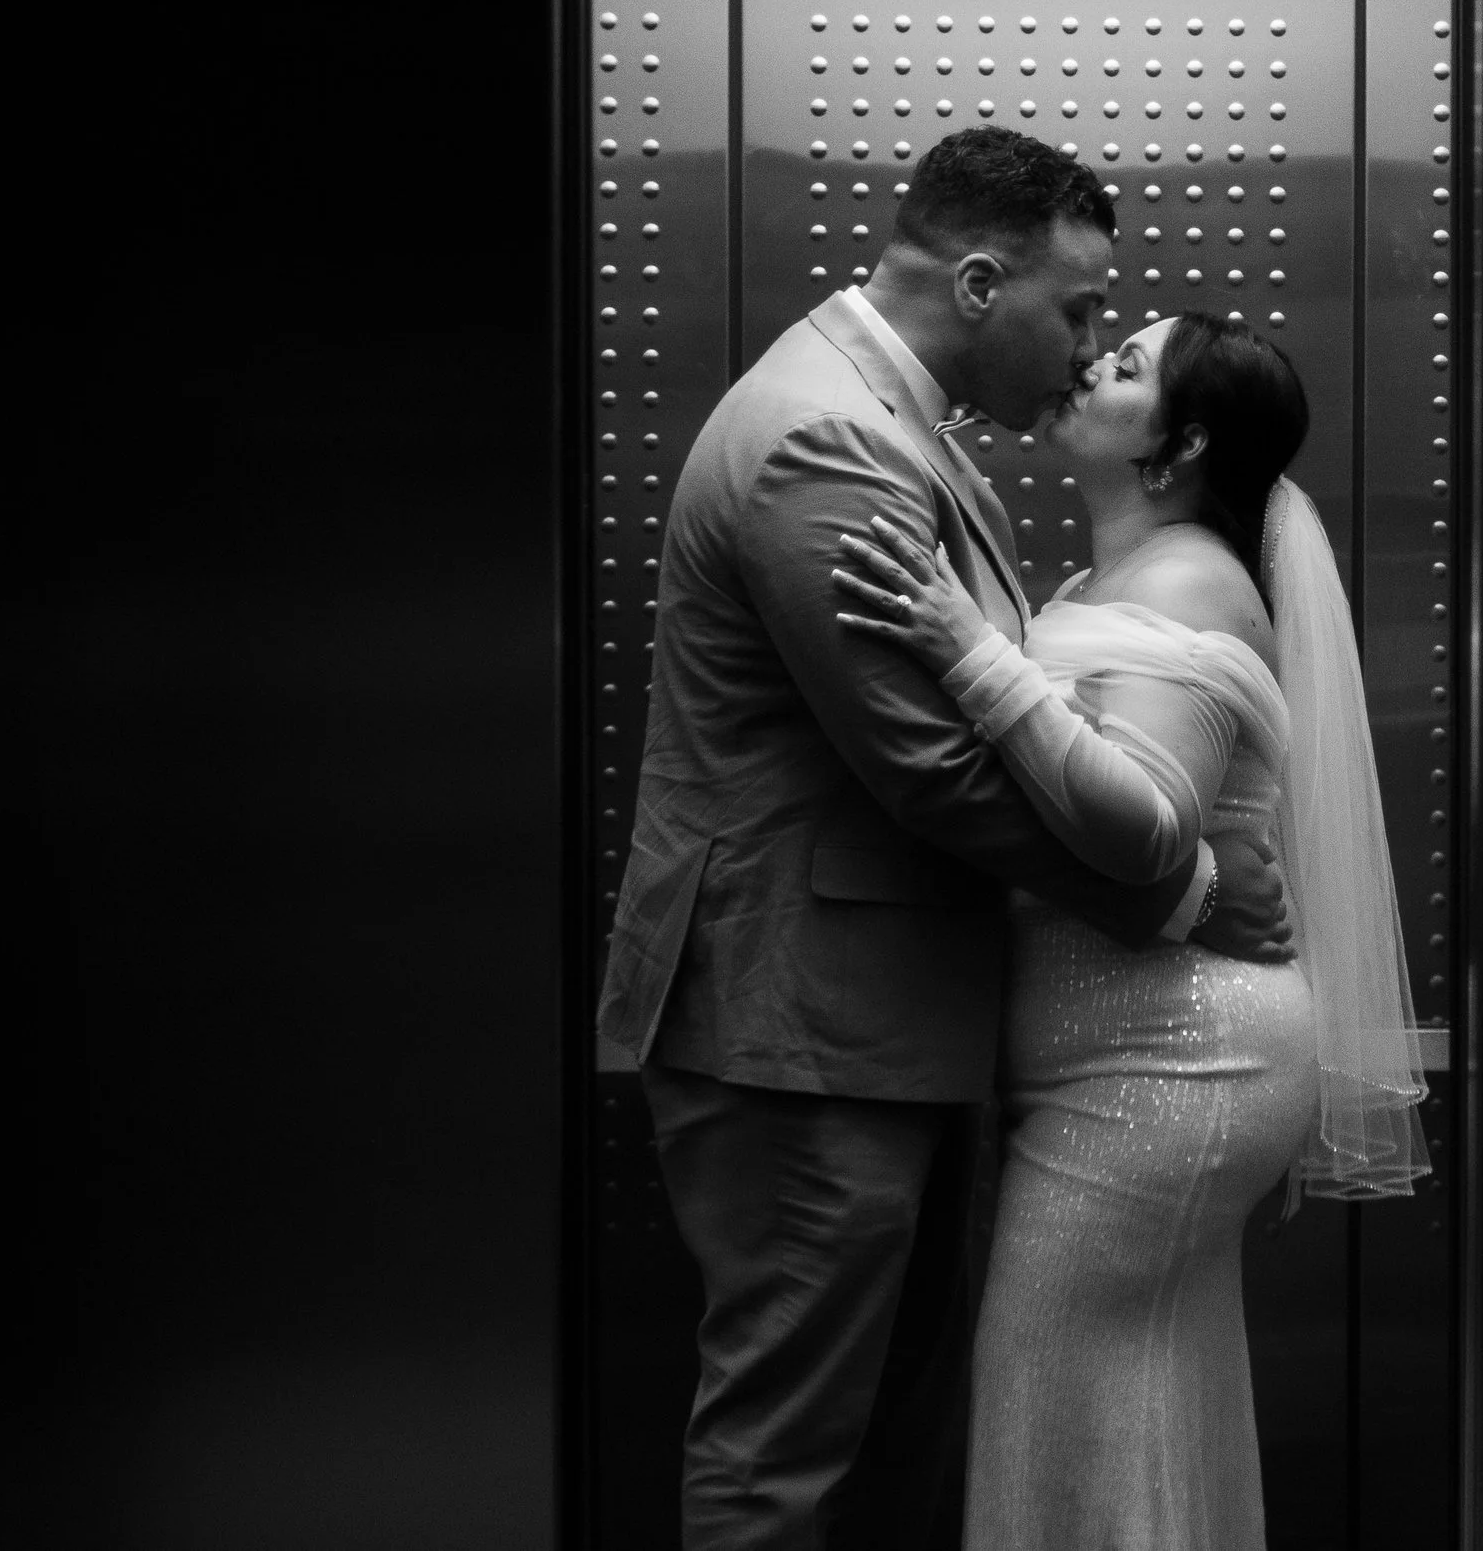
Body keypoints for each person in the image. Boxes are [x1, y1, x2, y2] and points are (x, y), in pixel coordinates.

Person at [595, 128, 1293, 1550]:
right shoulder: (827, 436)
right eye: (1078, 310)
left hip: (874, 1028)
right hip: (800, 1026)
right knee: (788, 1460)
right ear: (980, 284)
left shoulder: (897, 425)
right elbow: (932, 769)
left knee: (882, 1452)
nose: (1087, 347)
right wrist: (1181, 888)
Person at [833, 311, 1431, 1549]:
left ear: (1181, 444)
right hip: (1130, 1066)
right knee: (1129, 1410)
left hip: (1171, 1066)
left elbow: (1142, 824)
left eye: (1127, 365)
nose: (1090, 364)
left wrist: (963, 648)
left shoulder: (1188, 578)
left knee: (1047, 1393)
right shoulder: (1099, 584)